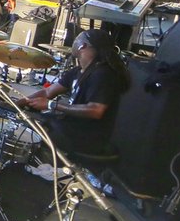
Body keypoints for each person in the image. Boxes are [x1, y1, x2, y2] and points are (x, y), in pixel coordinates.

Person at [23, 29, 129, 160]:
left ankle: (43, 166)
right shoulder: (78, 71)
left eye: (77, 39)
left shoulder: (102, 74)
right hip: (72, 127)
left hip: (87, 137)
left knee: (32, 127)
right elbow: (47, 92)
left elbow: (95, 110)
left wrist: (51, 105)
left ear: (82, 45)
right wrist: (18, 102)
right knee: (26, 117)